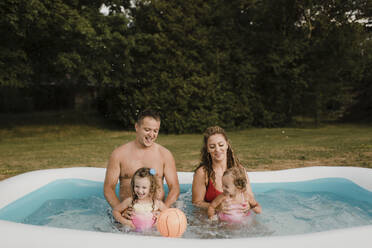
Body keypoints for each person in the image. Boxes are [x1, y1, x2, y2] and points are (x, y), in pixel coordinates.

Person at [104, 109, 180, 219]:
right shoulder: (119, 154)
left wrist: (164, 211)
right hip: (128, 215)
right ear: (137, 127)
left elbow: (174, 188)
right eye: (147, 130)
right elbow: (108, 188)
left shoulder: (165, 155)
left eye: (155, 131)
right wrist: (121, 211)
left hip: (156, 215)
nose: (151, 135)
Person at [192, 126, 261, 214]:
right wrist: (217, 207)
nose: (217, 150)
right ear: (207, 149)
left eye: (221, 145)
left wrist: (248, 205)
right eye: (212, 146)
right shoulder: (203, 173)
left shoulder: (239, 170)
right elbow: (196, 203)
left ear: (227, 145)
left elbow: (250, 196)